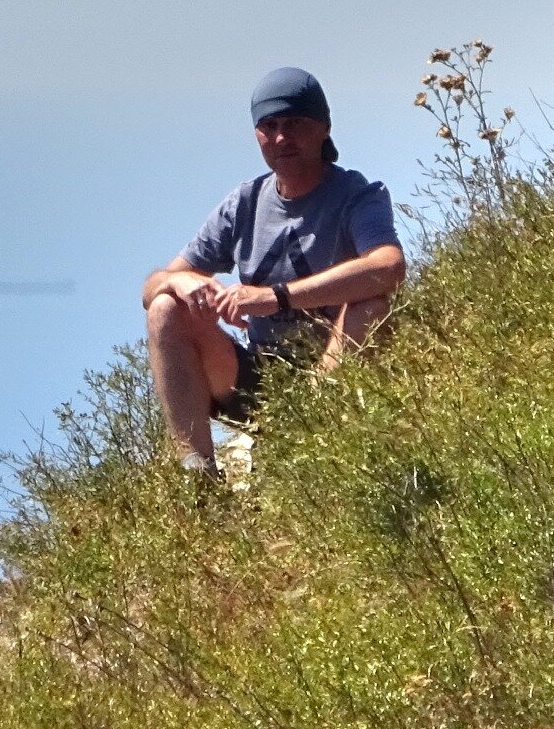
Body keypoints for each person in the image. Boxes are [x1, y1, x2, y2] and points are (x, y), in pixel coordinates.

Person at [141, 67, 406, 476]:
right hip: (258, 381)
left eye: (296, 123)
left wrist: (276, 296)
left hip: (331, 371)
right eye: (270, 126)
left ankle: (311, 422)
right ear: (257, 135)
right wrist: (182, 280)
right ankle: (197, 476)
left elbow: (388, 266)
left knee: (370, 306)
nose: (282, 137)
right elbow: (152, 287)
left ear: (324, 127)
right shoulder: (245, 202)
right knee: (163, 308)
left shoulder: (358, 195)